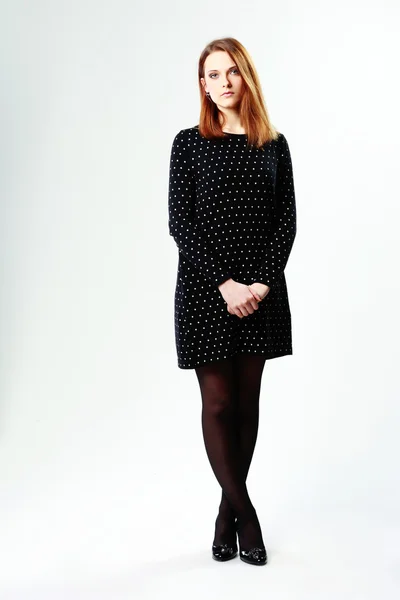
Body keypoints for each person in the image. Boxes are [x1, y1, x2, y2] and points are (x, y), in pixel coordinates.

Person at [167, 37, 297, 566]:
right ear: (203, 84)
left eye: (231, 73)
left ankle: (224, 514)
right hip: (205, 289)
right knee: (218, 404)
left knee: (247, 406)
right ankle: (246, 514)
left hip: (262, 293)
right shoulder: (188, 142)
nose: (223, 83)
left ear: (247, 77)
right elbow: (181, 224)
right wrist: (225, 283)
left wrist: (262, 284)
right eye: (212, 75)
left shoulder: (274, 144)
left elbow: (286, 223)